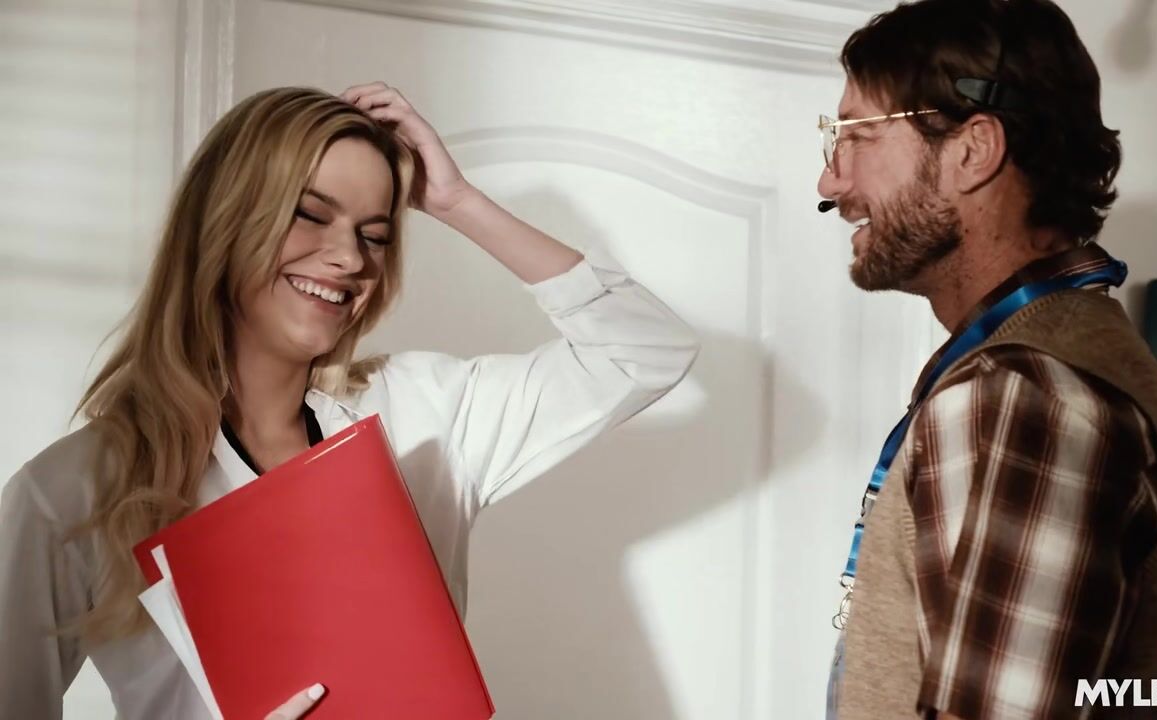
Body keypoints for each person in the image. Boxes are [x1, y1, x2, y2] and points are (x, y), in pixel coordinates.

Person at [0, 82, 699, 719]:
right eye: (311, 215)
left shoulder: (424, 415)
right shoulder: (72, 492)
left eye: (375, 235)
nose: (351, 258)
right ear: (223, 222)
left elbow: (647, 350)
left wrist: (458, 202)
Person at [816, 1, 1157, 718]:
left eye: (860, 136)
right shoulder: (1041, 360)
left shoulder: (1027, 394)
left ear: (974, 149)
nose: (831, 184)